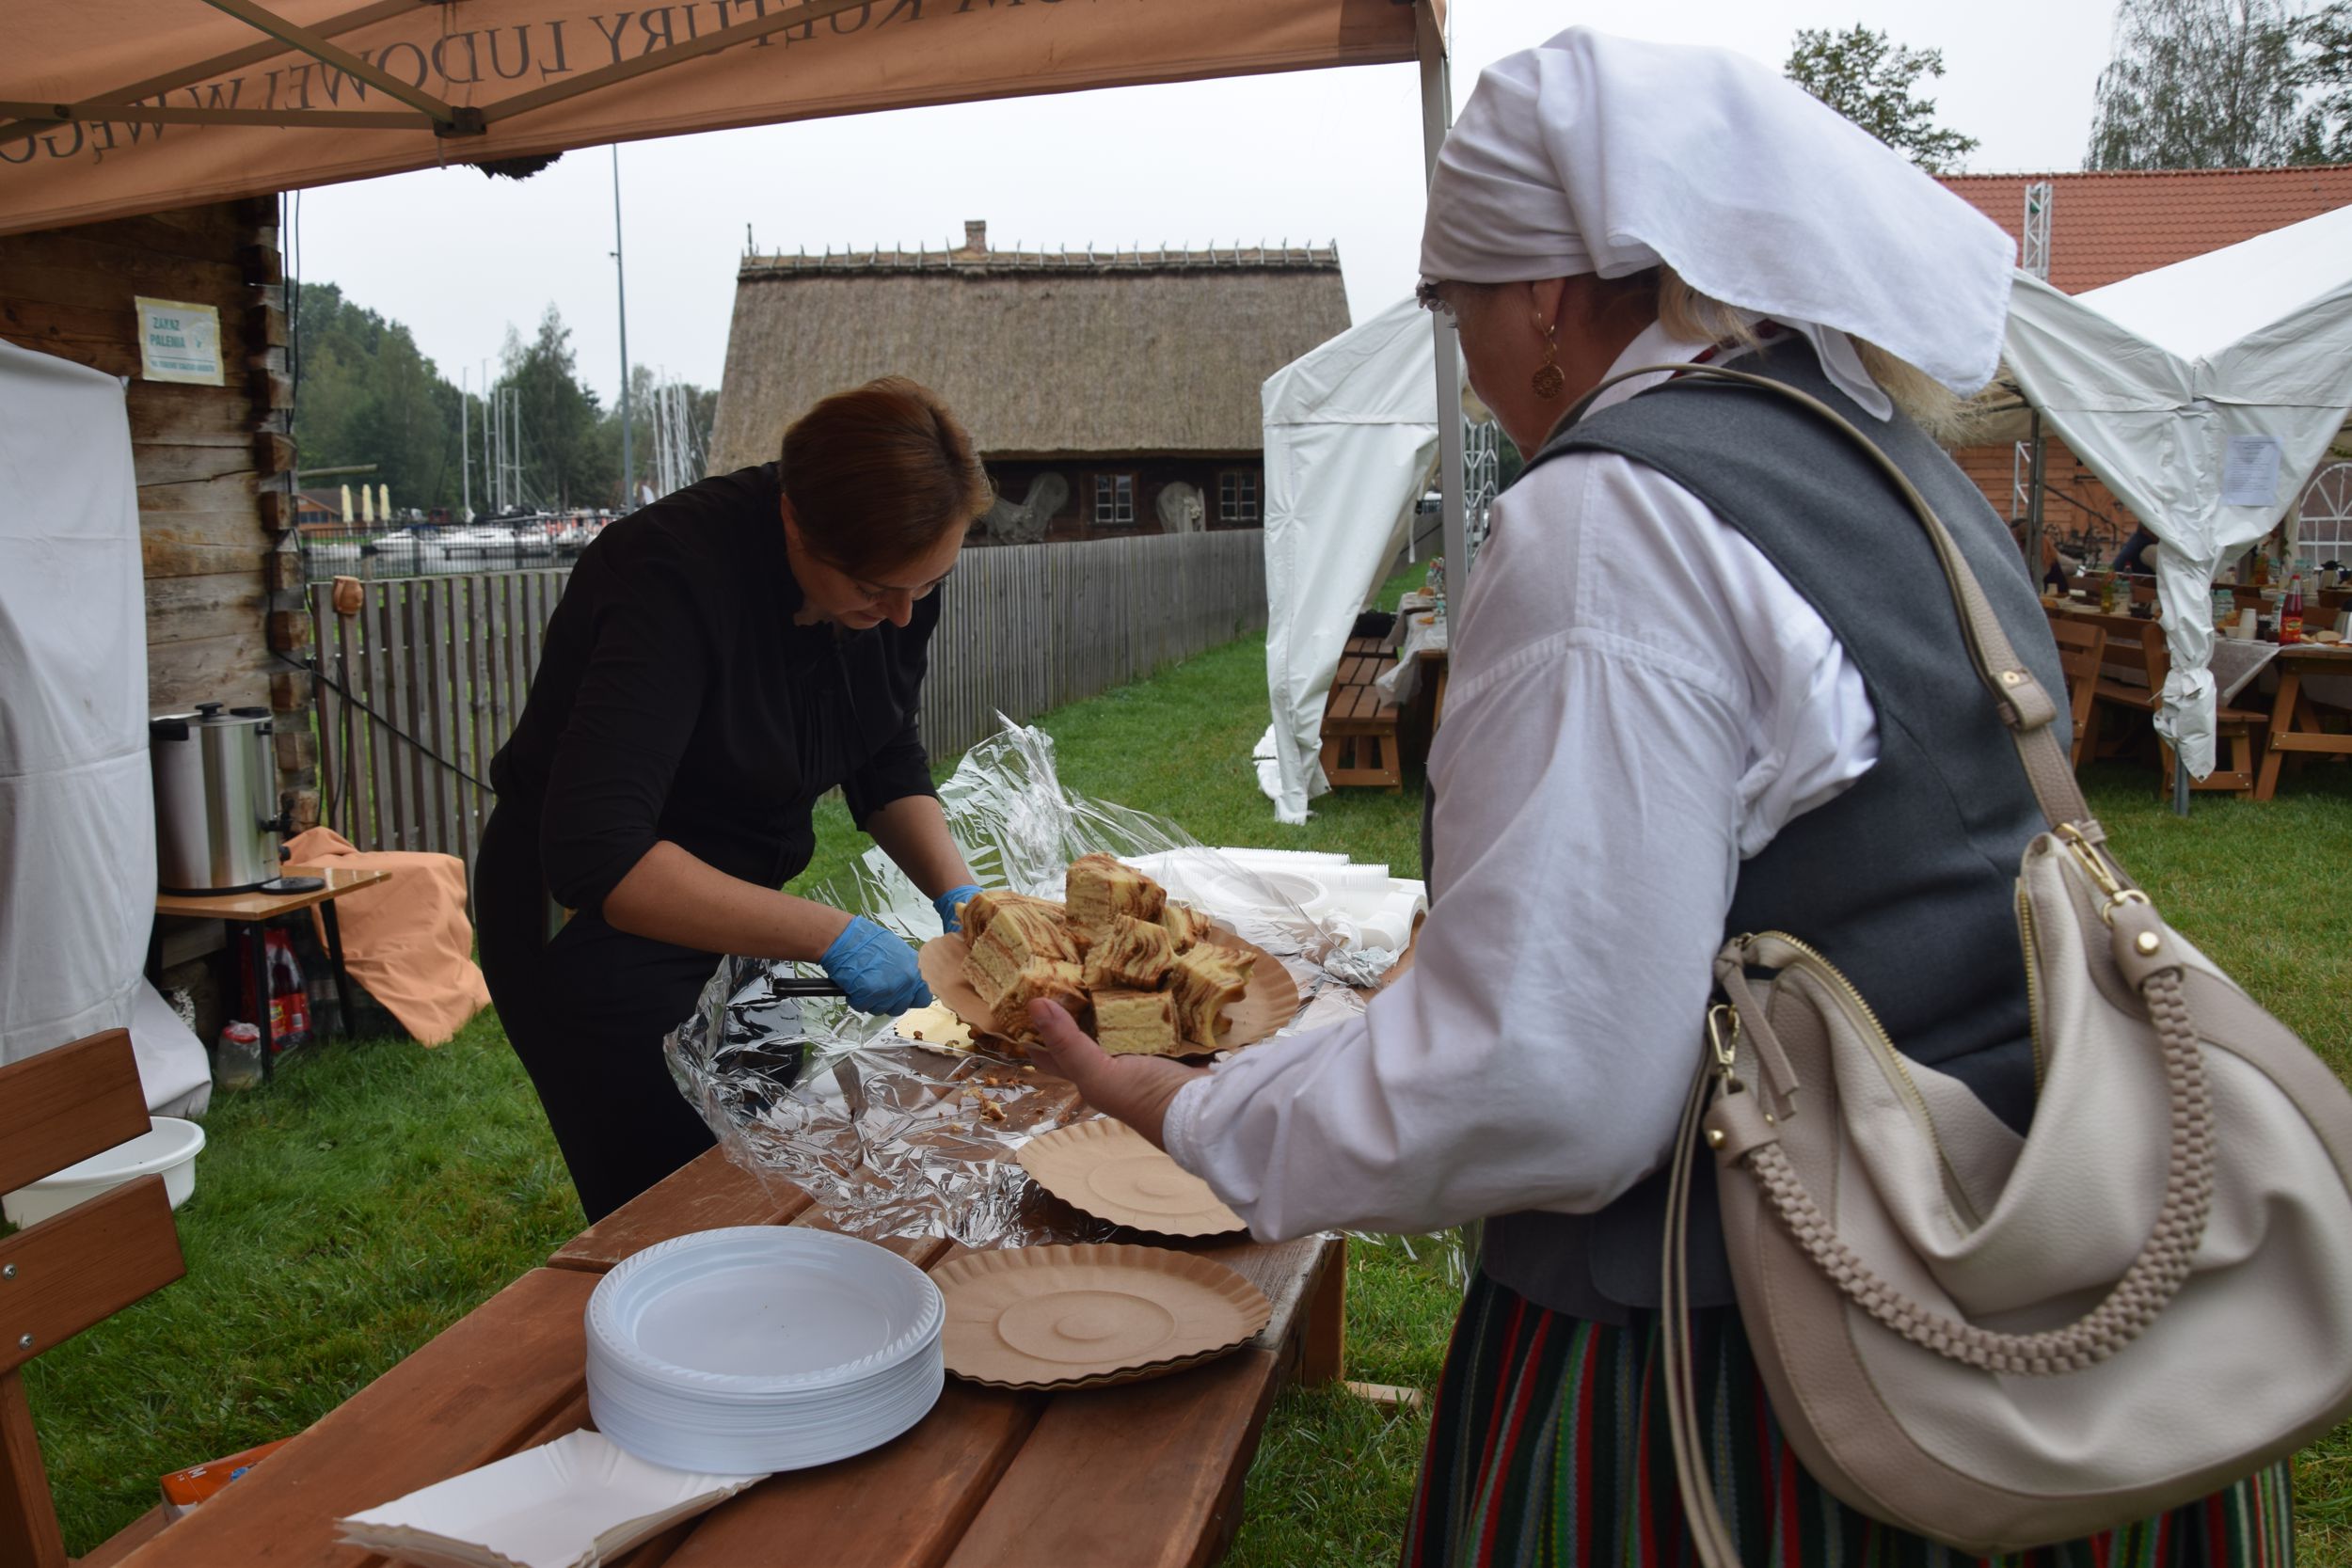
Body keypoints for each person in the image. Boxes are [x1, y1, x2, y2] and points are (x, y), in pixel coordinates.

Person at [1025, 29, 2291, 1567]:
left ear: (1545, 300)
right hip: (2039, 1280)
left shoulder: (1613, 518)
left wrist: (1205, 1112)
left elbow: (1544, 1079)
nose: (1469, 364)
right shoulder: (1881, 455)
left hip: (1795, 1378)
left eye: (1457, 307)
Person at [477, 376, 991, 1222]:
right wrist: (835, 934)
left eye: (927, 587)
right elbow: (599, 854)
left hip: (737, 911)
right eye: (877, 590)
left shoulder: (889, 575)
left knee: (774, 1171)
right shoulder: (666, 577)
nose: (903, 616)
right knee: (681, 1211)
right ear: (794, 522)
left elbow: (883, 746)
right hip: (593, 931)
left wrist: (960, 897)